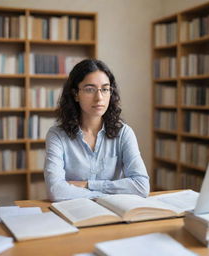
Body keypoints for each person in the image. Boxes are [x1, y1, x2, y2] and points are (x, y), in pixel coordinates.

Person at [44, 59, 150, 202]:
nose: (99, 97)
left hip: (115, 215)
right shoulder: (57, 135)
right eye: (90, 89)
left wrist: (88, 185)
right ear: (75, 94)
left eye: (105, 89)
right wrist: (107, 194)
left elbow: (141, 186)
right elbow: (55, 191)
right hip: (74, 214)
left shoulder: (124, 133)